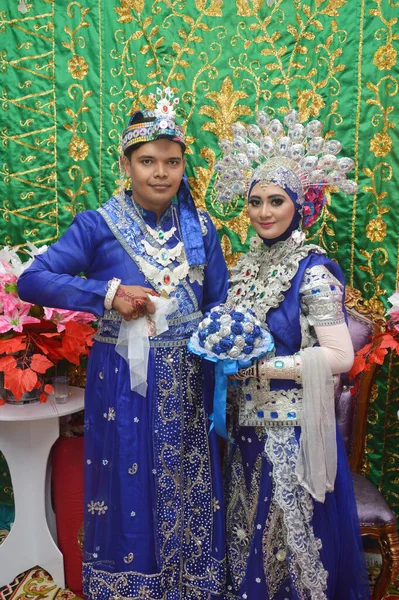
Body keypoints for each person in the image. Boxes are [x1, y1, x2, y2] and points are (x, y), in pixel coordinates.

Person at [18, 88, 229, 600]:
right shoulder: (99, 224)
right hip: (123, 381)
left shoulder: (201, 228)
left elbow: (219, 303)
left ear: (183, 167)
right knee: (129, 482)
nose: (161, 172)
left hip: (189, 378)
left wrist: (231, 337)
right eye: (148, 161)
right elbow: (33, 280)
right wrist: (107, 293)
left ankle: (191, 586)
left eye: (172, 162)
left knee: (188, 480)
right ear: (127, 165)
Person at [214, 111, 370, 599]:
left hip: (290, 431)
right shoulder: (244, 266)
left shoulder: (314, 270)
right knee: (244, 539)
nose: (263, 212)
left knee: (286, 547)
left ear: (300, 206)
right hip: (242, 428)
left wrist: (261, 367)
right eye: (255, 201)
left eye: (275, 201)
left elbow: (340, 355)